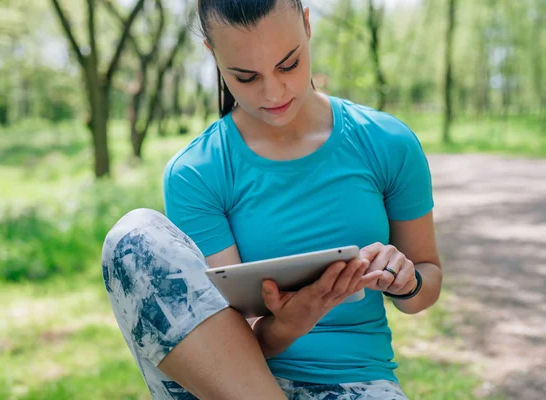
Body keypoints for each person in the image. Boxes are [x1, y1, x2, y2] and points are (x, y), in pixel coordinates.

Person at [101, 0, 442, 398]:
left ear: (308, 25)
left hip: (355, 381)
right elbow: (225, 337)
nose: (273, 92)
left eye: (289, 65)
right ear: (213, 54)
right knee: (133, 237)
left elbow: (427, 278)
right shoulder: (197, 171)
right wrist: (288, 324)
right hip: (232, 382)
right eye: (246, 77)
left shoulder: (388, 143)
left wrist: (408, 281)